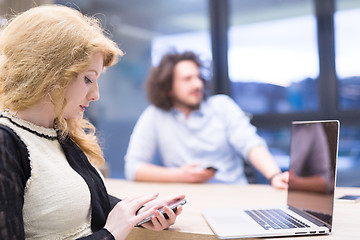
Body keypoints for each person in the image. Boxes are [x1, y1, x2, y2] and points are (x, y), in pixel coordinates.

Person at [0, 5, 184, 240]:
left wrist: (139, 212)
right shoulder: (6, 143)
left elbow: (85, 198)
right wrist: (110, 234)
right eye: (88, 79)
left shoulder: (57, 132)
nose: (96, 94)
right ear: (51, 74)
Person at [124, 51, 288, 188]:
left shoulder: (222, 106)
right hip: (187, 199)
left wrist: (274, 175)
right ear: (169, 89)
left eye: (198, 77)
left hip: (233, 193)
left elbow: (250, 144)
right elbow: (133, 168)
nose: (198, 84)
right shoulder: (155, 115)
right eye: (187, 79)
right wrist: (180, 175)